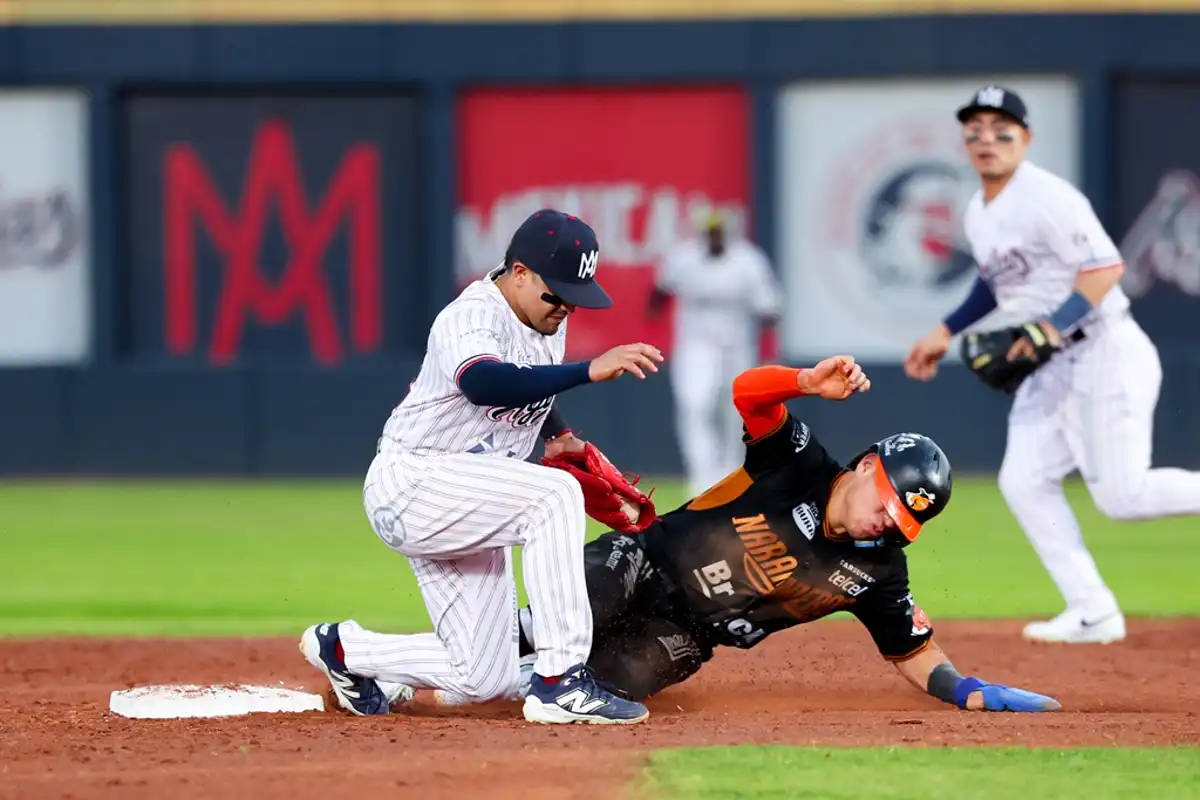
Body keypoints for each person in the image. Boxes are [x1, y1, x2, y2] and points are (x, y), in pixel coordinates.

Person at [502, 357, 1060, 712]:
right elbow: (748, 392)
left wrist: (964, 689)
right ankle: (469, 657)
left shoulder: (880, 570)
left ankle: (486, 683)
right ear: (867, 467)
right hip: (643, 560)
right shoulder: (800, 464)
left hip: (688, 635)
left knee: (607, 682)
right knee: (566, 614)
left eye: (902, 523)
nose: (886, 523)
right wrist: (806, 383)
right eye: (887, 505)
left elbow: (912, 650)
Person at [300, 208, 664, 725]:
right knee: (552, 498)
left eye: (574, 297)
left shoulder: (543, 319)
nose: (565, 307)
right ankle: (561, 681)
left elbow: (532, 377)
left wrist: (558, 434)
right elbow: (485, 381)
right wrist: (587, 370)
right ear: (518, 273)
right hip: (414, 482)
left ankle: (345, 652)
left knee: (482, 675)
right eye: (555, 293)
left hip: (472, 497)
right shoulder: (470, 317)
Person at [904, 85, 1200, 645]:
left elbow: (1105, 269)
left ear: (1026, 138)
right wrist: (944, 331)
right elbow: (996, 280)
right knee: (1022, 480)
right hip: (1050, 364)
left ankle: (1093, 609)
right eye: (976, 130)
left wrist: (1045, 327)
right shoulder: (979, 210)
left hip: (1103, 349)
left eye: (1001, 129)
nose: (987, 139)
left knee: (1122, 496)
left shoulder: (1046, 196)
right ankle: (1093, 610)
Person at [650, 209, 782, 497]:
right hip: (696, 346)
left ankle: (733, 473)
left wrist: (770, 353)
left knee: (736, 412)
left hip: (737, 346)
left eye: (718, 232)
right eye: (709, 232)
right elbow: (659, 291)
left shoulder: (748, 261)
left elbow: (769, 310)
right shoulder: (684, 259)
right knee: (694, 405)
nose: (714, 238)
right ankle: (702, 477)